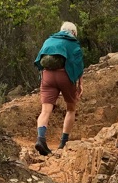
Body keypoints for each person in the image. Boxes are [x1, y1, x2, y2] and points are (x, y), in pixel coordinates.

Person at [34, 21, 84, 156]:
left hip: (47, 76)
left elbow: (39, 60)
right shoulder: (73, 43)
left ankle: (41, 139)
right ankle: (63, 143)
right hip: (65, 76)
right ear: (74, 33)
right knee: (71, 108)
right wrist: (80, 83)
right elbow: (77, 64)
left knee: (45, 111)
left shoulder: (49, 40)